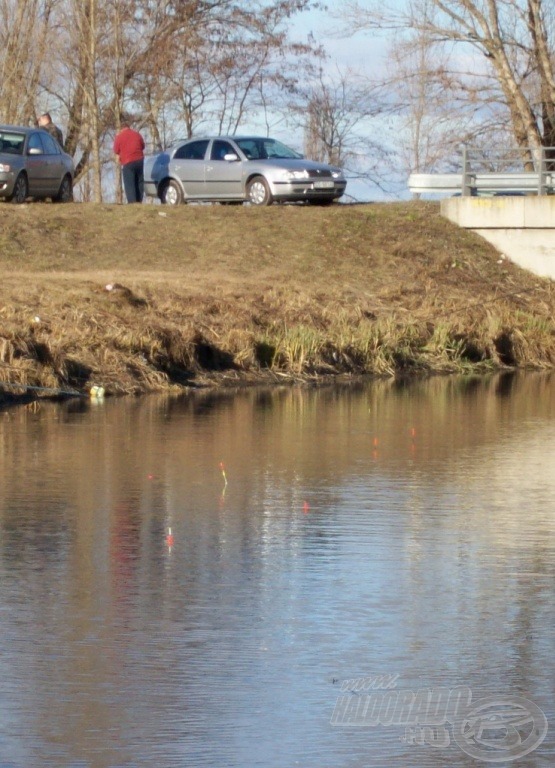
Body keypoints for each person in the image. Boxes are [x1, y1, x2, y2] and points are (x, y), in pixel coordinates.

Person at [113, 121, 145, 204]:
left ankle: (132, 202)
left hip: (128, 162)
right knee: (139, 181)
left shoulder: (119, 137)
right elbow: (143, 146)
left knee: (129, 183)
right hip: (139, 160)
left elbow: (116, 150)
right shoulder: (137, 134)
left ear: (121, 129)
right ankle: (139, 201)